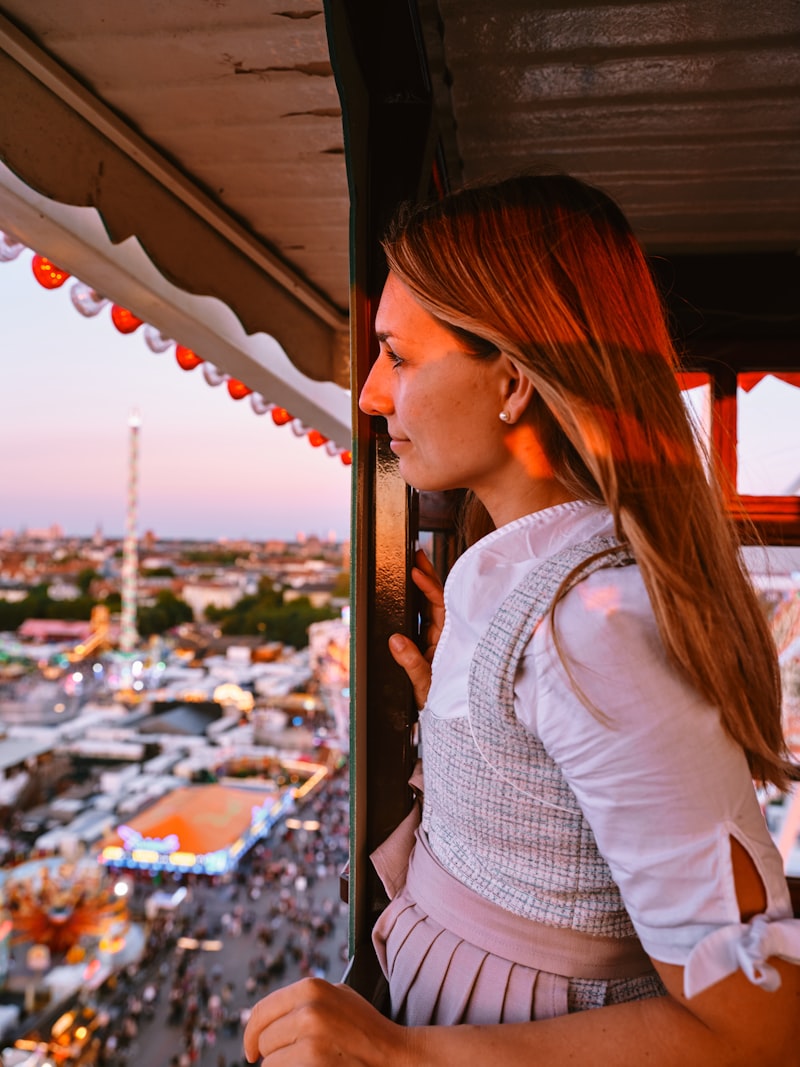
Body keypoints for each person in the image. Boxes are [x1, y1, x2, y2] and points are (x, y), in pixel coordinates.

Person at [243, 172, 800, 1064]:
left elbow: (759, 1026)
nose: (372, 395)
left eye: (399, 355)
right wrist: (461, 718)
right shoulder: (524, 579)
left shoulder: (592, 623)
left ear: (510, 380)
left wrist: (401, 1055)